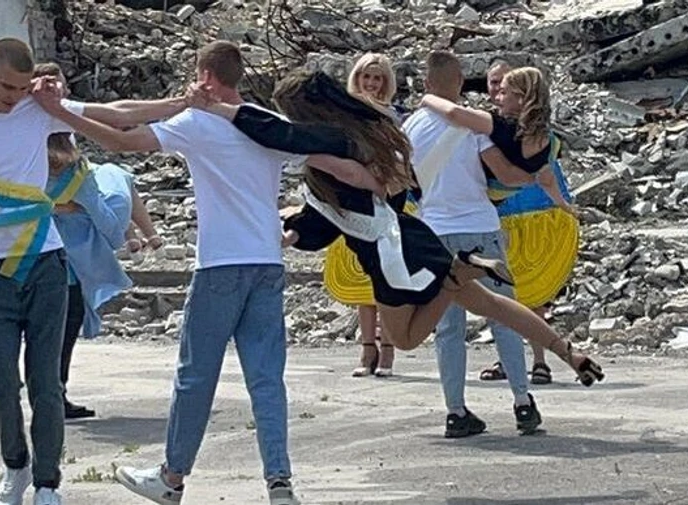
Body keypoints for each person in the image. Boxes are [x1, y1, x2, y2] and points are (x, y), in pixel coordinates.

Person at [32, 40, 384, 505]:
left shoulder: (195, 123)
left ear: (205, 76)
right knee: (266, 378)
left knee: (196, 376)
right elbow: (341, 167)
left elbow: (120, 137)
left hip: (219, 265)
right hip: (267, 264)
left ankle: (172, 478)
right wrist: (383, 176)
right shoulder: (269, 125)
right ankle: (279, 482)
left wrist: (60, 114)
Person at [188, 68, 604, 428]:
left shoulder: (329, 142)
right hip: (410, 237)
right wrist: (295, 233)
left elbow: (277, 132)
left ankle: (459, 274)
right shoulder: (358, 136)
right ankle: (568, 352)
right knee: (494, 306)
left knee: (404, 340)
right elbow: (331, 214)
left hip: (389, 256)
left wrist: (218, 110)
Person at [0, 38, 187, 505]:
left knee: (46, 382)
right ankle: (16, 465)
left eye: (21, 86)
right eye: (7, 86)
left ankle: (48, 483)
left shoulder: (37, 109)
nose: (15, 96)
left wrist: (179, 102)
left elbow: (115, 111)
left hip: (46, 261)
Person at [422, 64, 577, 386]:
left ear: (522, 98)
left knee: (470, 312)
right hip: (494, 214)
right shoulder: (548, 139)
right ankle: (526, 381)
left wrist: (427, 100)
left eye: (505, 91)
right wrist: (563, 205)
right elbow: (546, 176)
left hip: (475, 216)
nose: (497, 96)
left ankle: (479, 392)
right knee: (509, 305)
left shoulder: (498, 127)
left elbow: (453, 112)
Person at [33, 62, 165, 419]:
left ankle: (42, 396)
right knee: (63, 336)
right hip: (70, 267)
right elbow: (107, 225)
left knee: (41, 337)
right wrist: (118, 232)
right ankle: (53, 397)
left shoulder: (23, 162)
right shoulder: (77, 172)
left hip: (27, 257)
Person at [336, 52, 404, 378]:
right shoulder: (345, 116)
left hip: (388, 201)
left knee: (386, 275)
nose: (372, 84)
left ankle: (388, 349)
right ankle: (367, 348)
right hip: (353, 200)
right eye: (367, 77)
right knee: (361, 277)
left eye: (378, 78)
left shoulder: (393, 118)